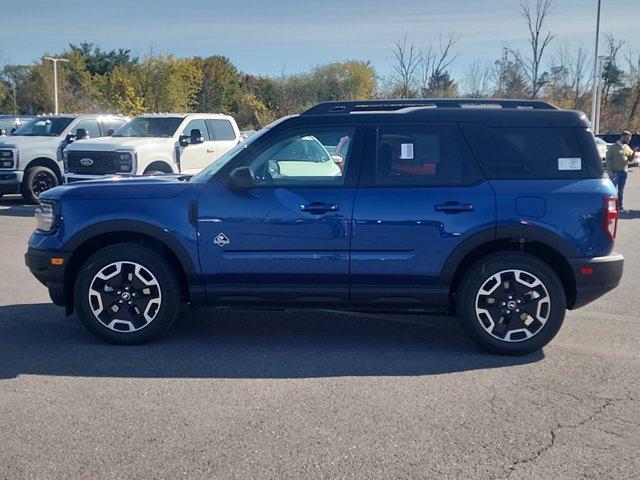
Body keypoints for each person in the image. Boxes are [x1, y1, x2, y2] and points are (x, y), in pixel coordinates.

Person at [605, 131, 635, 212]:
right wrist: (609, 171)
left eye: (629, 139)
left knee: (621, 192)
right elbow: (608, 160)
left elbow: (630, 159)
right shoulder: (613, 147)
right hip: (615, 172)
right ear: (622, 137)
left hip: (624, 173)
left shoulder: (627, 147)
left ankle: (620, 207)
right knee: (611, 191)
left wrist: (634, 153)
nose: (629, 140)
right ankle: (608, 208)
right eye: (627, 138)